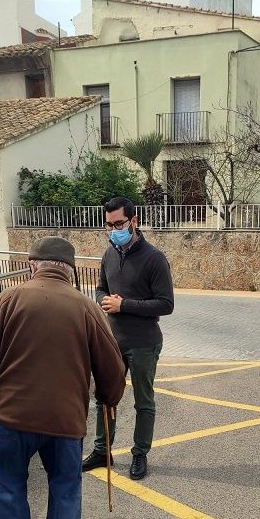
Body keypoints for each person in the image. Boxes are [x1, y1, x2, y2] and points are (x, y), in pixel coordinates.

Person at [0, 237, 125, 519]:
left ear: (32, 265)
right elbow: (113, 368)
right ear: (70, 270)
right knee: (65, 484)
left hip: (12, 415)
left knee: (7, 481)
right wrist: (109, 398)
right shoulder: (86, 308)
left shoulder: (8, 300)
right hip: (65, 419)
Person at [82, 197, 174, 480]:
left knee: (143, 402)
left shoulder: (154, 258)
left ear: (134, 221)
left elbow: (166, 304)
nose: (113, 230)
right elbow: (100, 288)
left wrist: (125, 305)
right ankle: (102, 451)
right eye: (109, 226)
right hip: (113, 342)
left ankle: (140, 454)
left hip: (144, 343)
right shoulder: (109, 255)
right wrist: (103, 300)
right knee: (105, 397)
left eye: (119, 224)